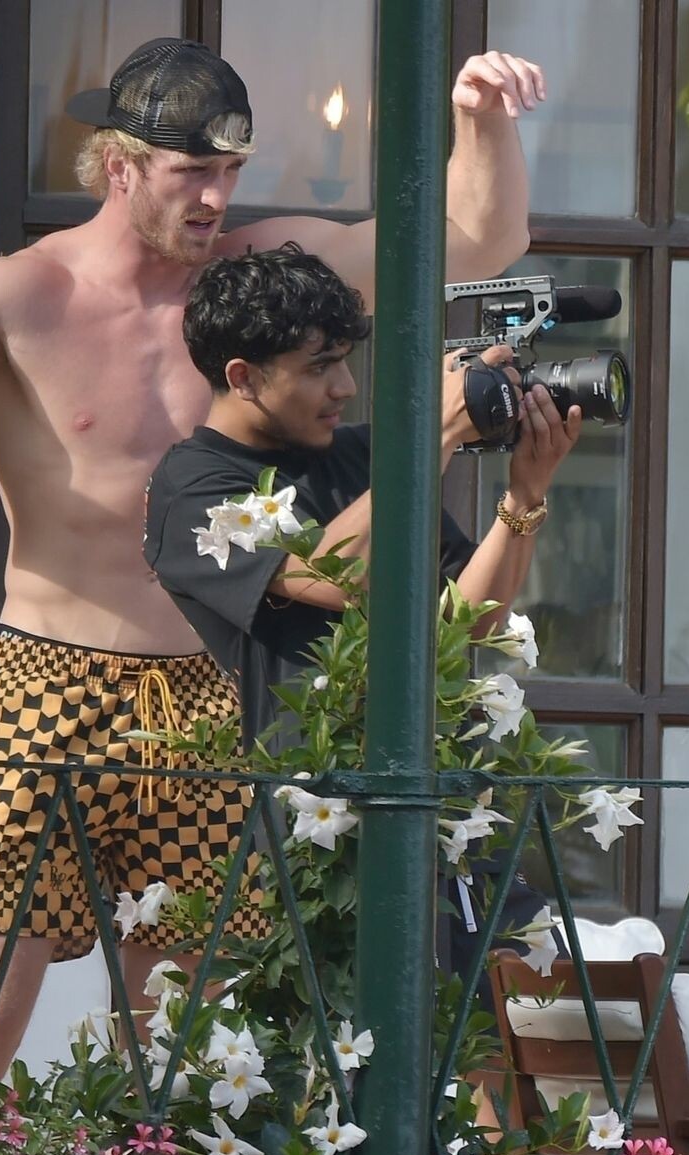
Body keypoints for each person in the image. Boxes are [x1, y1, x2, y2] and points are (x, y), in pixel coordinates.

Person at [0, 36, 550, 1102]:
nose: (216, 198)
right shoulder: (16, 293)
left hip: (216, 691)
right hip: (46, 680)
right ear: (119, 165)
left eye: (230, 170)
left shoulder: (263, 276)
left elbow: (477, 238)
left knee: (188, 1046)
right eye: (192, 172)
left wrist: (480, 118)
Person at [144, 245, 579, 968]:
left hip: (444, 792)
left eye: (346, 361)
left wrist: (524, 495)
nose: (345, 386)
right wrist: (430, 434)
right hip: (329, 828)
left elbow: (467, 624)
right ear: (243, 377)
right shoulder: (192, 488)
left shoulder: (365, 458)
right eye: (319, 366)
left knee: (530, 1005)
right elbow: (332, 575)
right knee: (372, 1030)